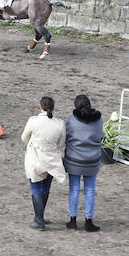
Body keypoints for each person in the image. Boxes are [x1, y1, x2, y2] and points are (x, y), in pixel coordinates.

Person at [21, 96, 67, 230]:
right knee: (45, 189)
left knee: (35, 188)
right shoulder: (60, 124)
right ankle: (40, 216)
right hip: (52, 160)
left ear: (40, 107)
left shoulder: (33, 121)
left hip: (35, 158)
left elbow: (24, 138)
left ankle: (39, 219)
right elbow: (61, 144)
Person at [63, 95, 104, 232]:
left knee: (74, 189)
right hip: (92, 161)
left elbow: (65, 137)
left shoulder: (70, 121)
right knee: (90, 190)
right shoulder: (98, 121)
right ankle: (88, 221)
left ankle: (73, 220)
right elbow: (100, 136)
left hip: (74, 160)